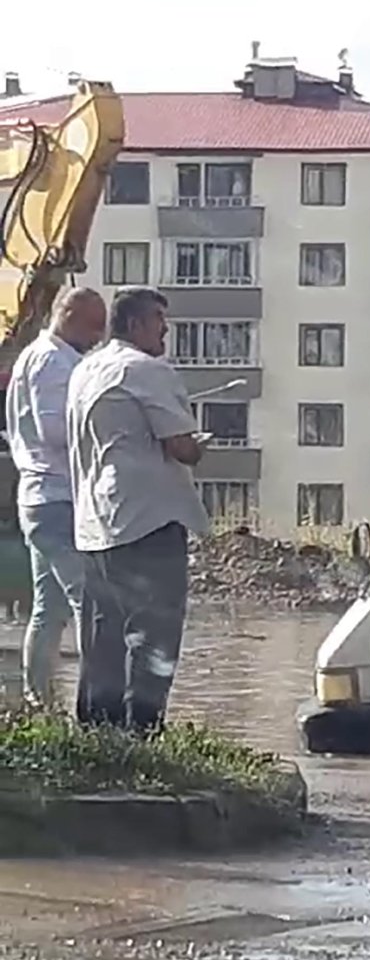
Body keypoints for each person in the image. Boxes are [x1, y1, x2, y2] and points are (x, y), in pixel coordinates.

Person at [67, 286, 209, 733]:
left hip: (96, 522)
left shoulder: (84, 369)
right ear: (134, 325)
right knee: (155, 634)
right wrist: (197, 443)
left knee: (103, 637)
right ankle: (144, 733)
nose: (165, 330)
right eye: (159, 321)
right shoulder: (146, 369)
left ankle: (98, 736)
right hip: (149, 520)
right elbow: (181, 448)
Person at [5, 288, 107, 704]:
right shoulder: (52, 362)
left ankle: (39, 700)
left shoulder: (42, 355)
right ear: (68, 315)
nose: (99, 336)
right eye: (94, 325)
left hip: (41, 497)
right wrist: (108, 432)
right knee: (90, 600)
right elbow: (54, 430)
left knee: (49, 608)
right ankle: (97, 704)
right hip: (56, 496)